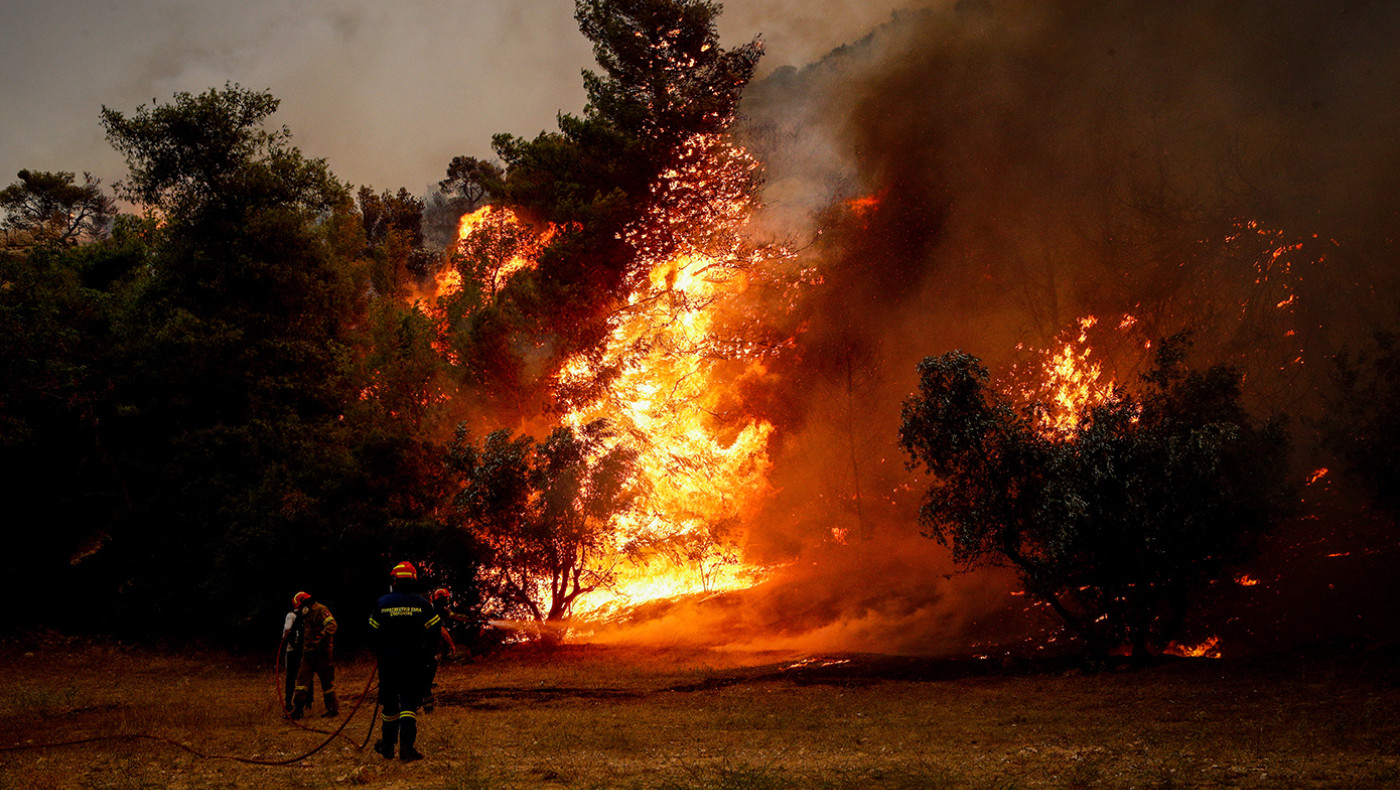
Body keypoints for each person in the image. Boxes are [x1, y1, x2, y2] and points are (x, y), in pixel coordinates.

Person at [368, 561, 442, 761]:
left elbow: (372, 631)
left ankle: (388, 746)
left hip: (388, 662)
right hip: (413, 662)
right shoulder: (421, 603)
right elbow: (436, 630)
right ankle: (407, 749)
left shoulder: (383, 602)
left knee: (390, 705)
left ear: (395, 580)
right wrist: (427, 652)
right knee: (409, 704)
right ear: (413, 581)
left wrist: (381, 650)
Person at [289, 591, 338, 719]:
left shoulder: (321, 610)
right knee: (301, 680)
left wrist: (321, 636)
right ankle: (298, 710)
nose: (299, 610)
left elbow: (332, 625)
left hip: (323, 654)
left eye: (300, 607)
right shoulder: (305, 614)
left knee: (326, 682)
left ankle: (332, 709)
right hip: (309, 653)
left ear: (306, 603)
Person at [422, 588, 459, 712]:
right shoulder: (434, 611)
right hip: (426, 645)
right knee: (430, 666)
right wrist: (451, 644)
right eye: (445, 598)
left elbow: (450, 615)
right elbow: (442, 630)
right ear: (441, 598)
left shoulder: (434, 609)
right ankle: (425, 696)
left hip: (423, 644)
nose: (447, 601)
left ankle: (424, 690)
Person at [281, 595, 305, 713]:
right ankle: (303, 701)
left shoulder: (291, 616)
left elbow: (286, 632)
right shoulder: (305, 616)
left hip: (292, 651)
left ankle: (289, 702)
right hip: (301, 651)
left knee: (291, 677)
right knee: (303, 677)